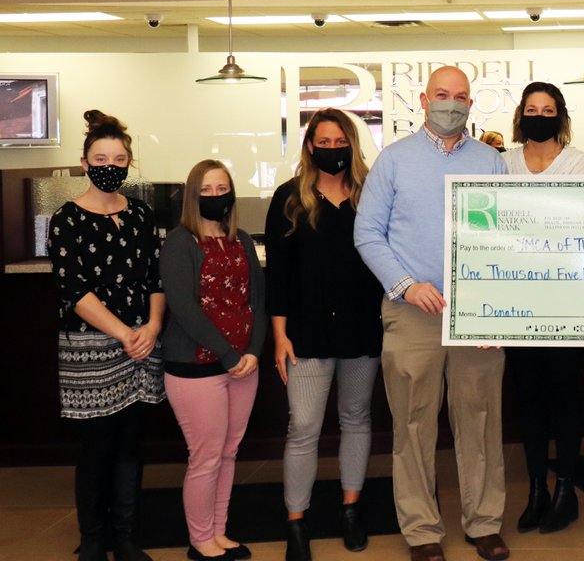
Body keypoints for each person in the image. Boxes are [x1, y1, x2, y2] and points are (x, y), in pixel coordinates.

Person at [354, 65, 509, 561]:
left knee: (480, 420)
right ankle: (422, 530)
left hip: (476, 313)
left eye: (460, 97)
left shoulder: (490, 162)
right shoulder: (394, 161)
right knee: (413, 425)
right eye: (442, 94)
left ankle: (484, 522)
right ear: (423, 100)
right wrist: (406, 285)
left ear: (471, 104)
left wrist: (497, 312)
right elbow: (367, 233)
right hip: (412, 312)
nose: (451, 104)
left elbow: (506, 239)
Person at [265, 108, 383, 561]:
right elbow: (278, 276)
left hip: (361, 327)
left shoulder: (371, 193)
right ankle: (296, 521)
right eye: (324, 142)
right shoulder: (289, 197)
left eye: (340, 142)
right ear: (310, 146)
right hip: (306, 331)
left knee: (356, 418)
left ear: (352, 144)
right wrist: (279, 336)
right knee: (303, 427)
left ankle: (351, 509)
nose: (333, 149)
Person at [50, 110, 165, 561]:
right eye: (101, 159)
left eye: (118, 159)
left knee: (130, 445)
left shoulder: (140, 214)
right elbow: (74, 291)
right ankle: (94, 540)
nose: (109, 166)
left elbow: (156, 279)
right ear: (84, 163)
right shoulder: (66, 219)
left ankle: (126, 537)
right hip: (91, 348)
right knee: (97, 446)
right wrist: (125, 334)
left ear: (129, 163)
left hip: (142, 345)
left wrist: (151, 327)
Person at [160, 159, 265, 561]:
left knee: (228, 453)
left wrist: (253, 351)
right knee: (205, 457)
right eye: (206, 190)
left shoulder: (241, 239)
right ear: (192, 195)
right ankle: (201, 540)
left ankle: (219, 532)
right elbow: (183, 307)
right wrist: (228, 353)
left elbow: (257, 300)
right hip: (197, 368)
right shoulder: (179, 243)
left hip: (243, 367)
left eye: (222, 189)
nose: (215, 196)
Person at [503, 82, 584, 532]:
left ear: (561, 115)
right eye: (532, 109)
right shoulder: (503, 163)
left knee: (564, 395)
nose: (540, 116)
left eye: (548, 109)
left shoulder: (578, 163)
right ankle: (537, 487)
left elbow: (583, 224)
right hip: (516, 300)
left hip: (566, 300)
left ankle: (566, 490)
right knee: (529, 398)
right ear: (521, 114)